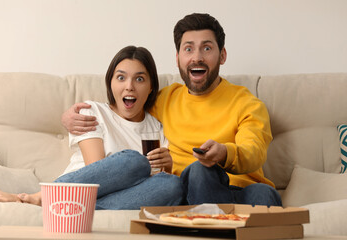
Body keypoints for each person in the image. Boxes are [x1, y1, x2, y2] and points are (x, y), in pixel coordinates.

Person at [60, 13, 282, 207]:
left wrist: (225, 152)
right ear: (178, 59)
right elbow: (124, 105)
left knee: (265, 194)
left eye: (207, 48)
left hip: (240, 190)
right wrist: (70, 116)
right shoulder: (164, 99)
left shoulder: (247, 103)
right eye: (188, 49)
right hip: (189, 190)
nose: (197, 57)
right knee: (199, 171)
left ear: (222, 55)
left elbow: (254, 152)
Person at [0, 46, 183, 209]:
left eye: (139, 79)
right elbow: (95, 168)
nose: (129, 86)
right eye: (121, 78)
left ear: (151, 87)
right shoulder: (92, 112)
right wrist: (137, 168)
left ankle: (74, 207)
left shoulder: (157, 126)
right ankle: (42, 197)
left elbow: (154, 182)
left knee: (173, 184)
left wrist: (166, 166)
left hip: (110, 200)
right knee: (135, 161)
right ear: (111, 83)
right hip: (82, 188)